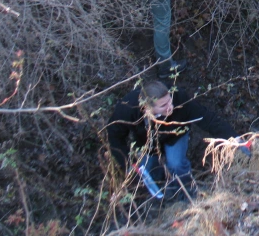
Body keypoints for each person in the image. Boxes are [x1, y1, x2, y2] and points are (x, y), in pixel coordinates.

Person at [106, 79, 251, 201]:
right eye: (163, 106)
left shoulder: (179, 97)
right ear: (147, 107)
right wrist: (128, 164)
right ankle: (162, 196)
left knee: (176, 164)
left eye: (169, 101)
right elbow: (114, 136)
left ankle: (186, 192)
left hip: (175, 136)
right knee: (148, 173)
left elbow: (207, 119)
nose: (171, 107)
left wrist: (235, 139)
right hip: (146, 142)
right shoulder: (127, 109)